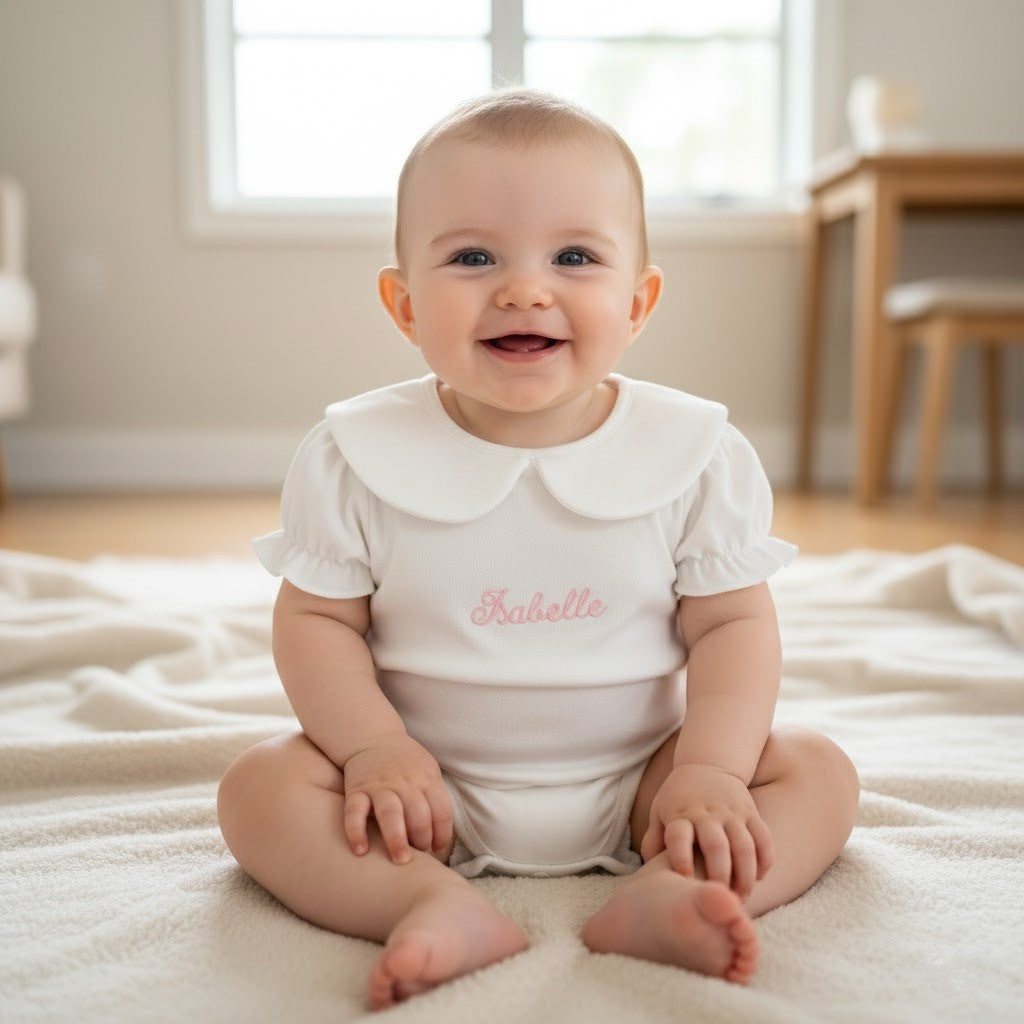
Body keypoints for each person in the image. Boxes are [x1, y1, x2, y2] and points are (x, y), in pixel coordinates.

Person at [217, 88, 860, 1011]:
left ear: (637, 303)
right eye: (473, 256)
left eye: (574, 256)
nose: (525, 288)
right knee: (258, 789)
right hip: (420, 791)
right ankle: (424, 901)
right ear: (403, 303)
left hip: (649, 781)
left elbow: (732, 628)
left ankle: (674, 890)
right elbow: (317, 621)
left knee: (817, 771)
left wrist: (711, 770)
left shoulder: (697, 455)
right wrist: (372, 750)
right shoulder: (352, 455)